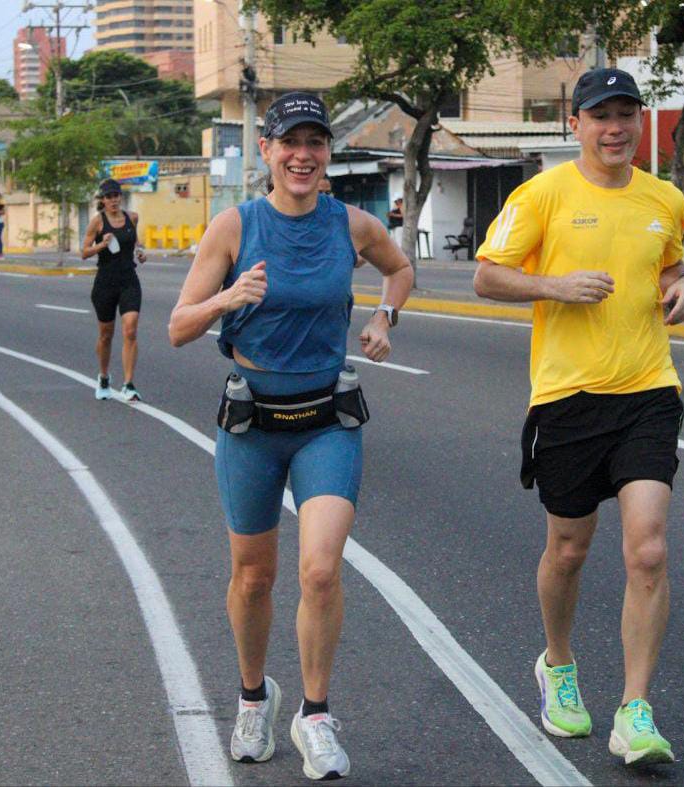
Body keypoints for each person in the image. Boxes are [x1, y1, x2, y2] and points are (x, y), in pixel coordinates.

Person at [169, 92, 413, 781]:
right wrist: (227, 298)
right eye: (289, 143)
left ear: (326, 153)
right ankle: (254, 697)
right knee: (253, 577)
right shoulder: (233, 225)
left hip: (325, 420)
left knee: (319, 569)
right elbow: (179, 326)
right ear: (267, 153)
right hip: (253, 423)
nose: (303, 155)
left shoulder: (353, 224)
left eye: (315, 142)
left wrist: (384, 317)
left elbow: (399, 269)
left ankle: (314, 714)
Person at [473, 68, 684, 767]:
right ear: (574, 125)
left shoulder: (662, 197)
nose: (614, 128)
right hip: (567, 397)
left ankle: (634, 709)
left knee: (648, 548)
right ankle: (559, 662)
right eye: (600, 116)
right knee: (568, 549)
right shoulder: (541, 193)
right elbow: (487, 273)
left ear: (639, 122)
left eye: (625, 115)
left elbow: (667, 265)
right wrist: (552, 285)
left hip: (647, 390)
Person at [81, 178, 147, 403]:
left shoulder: (132, 218)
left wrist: (140, 252)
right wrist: (101, 244)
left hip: (129, 280)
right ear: (103, 200)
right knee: (106, 335)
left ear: (121, 197)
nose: (114, 200)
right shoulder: (97, 223)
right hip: (105, 283)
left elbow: (136, 242)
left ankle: (129, 384)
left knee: (130, 330)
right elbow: (84, 252)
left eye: (116, 195)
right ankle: (103, 377)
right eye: (109, 196)